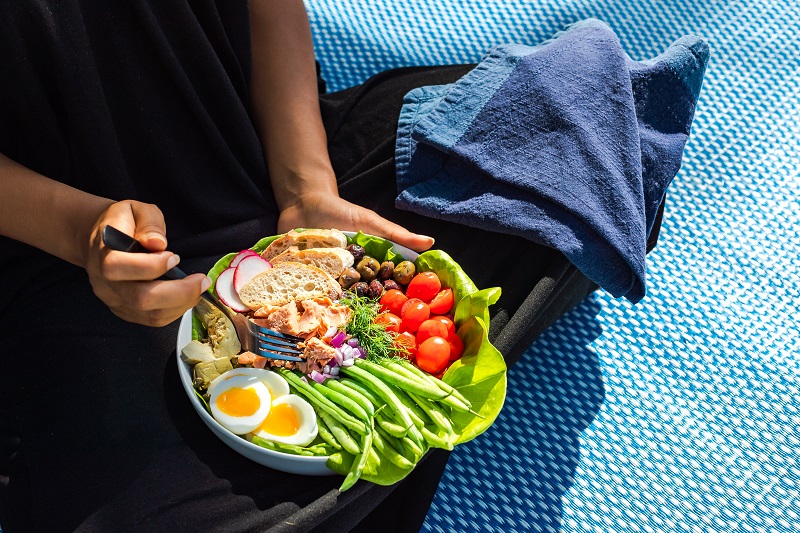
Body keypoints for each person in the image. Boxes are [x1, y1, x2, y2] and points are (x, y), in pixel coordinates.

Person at [0, 1, 600, 531]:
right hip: (91, 262)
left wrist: (307, 190)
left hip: (274, 149)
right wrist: (83, 233)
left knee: (581, 101)